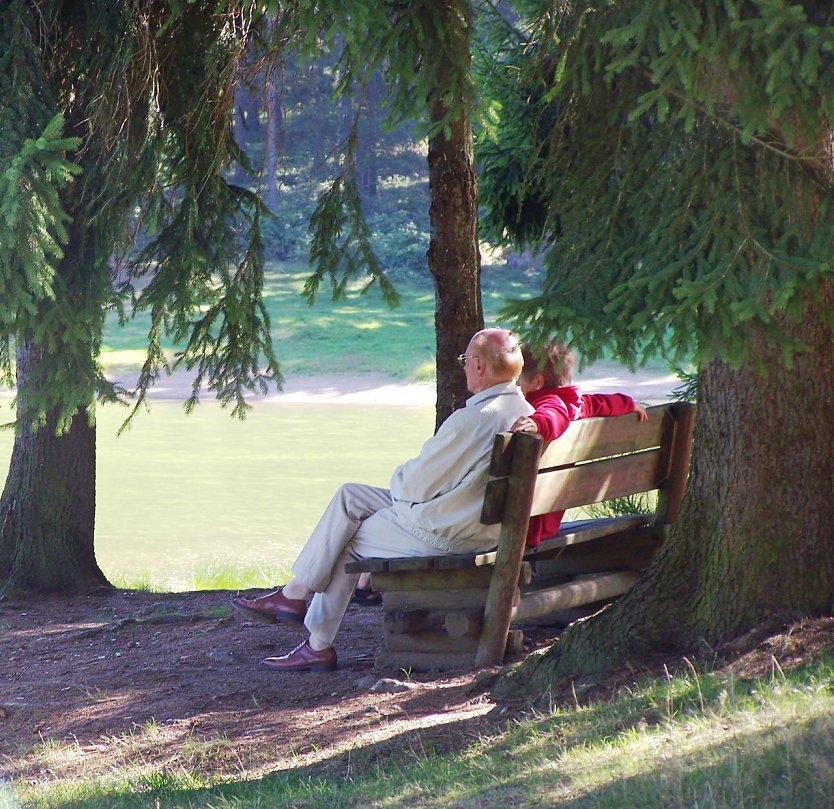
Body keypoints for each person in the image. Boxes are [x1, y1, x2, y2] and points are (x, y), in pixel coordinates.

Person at [232, 328, 533, 672]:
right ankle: (293, 595)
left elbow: (414, 486)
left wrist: (401, 481)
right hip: (481, 523)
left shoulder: (475, 419)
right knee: (350, 495)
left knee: (346, 540)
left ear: (479, 366)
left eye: (466, 361)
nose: (463, 367)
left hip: (449, 531)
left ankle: (316, 643)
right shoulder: (521, 409)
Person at [511, 342, 648, 547]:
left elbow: (552, 415)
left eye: (518, 380)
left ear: (538, 382)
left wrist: (536, 423)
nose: (516, 386)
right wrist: (628, 404)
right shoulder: (576, 403)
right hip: (549, 515)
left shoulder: (549, 403)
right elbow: (599, 402)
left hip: (530, 525)